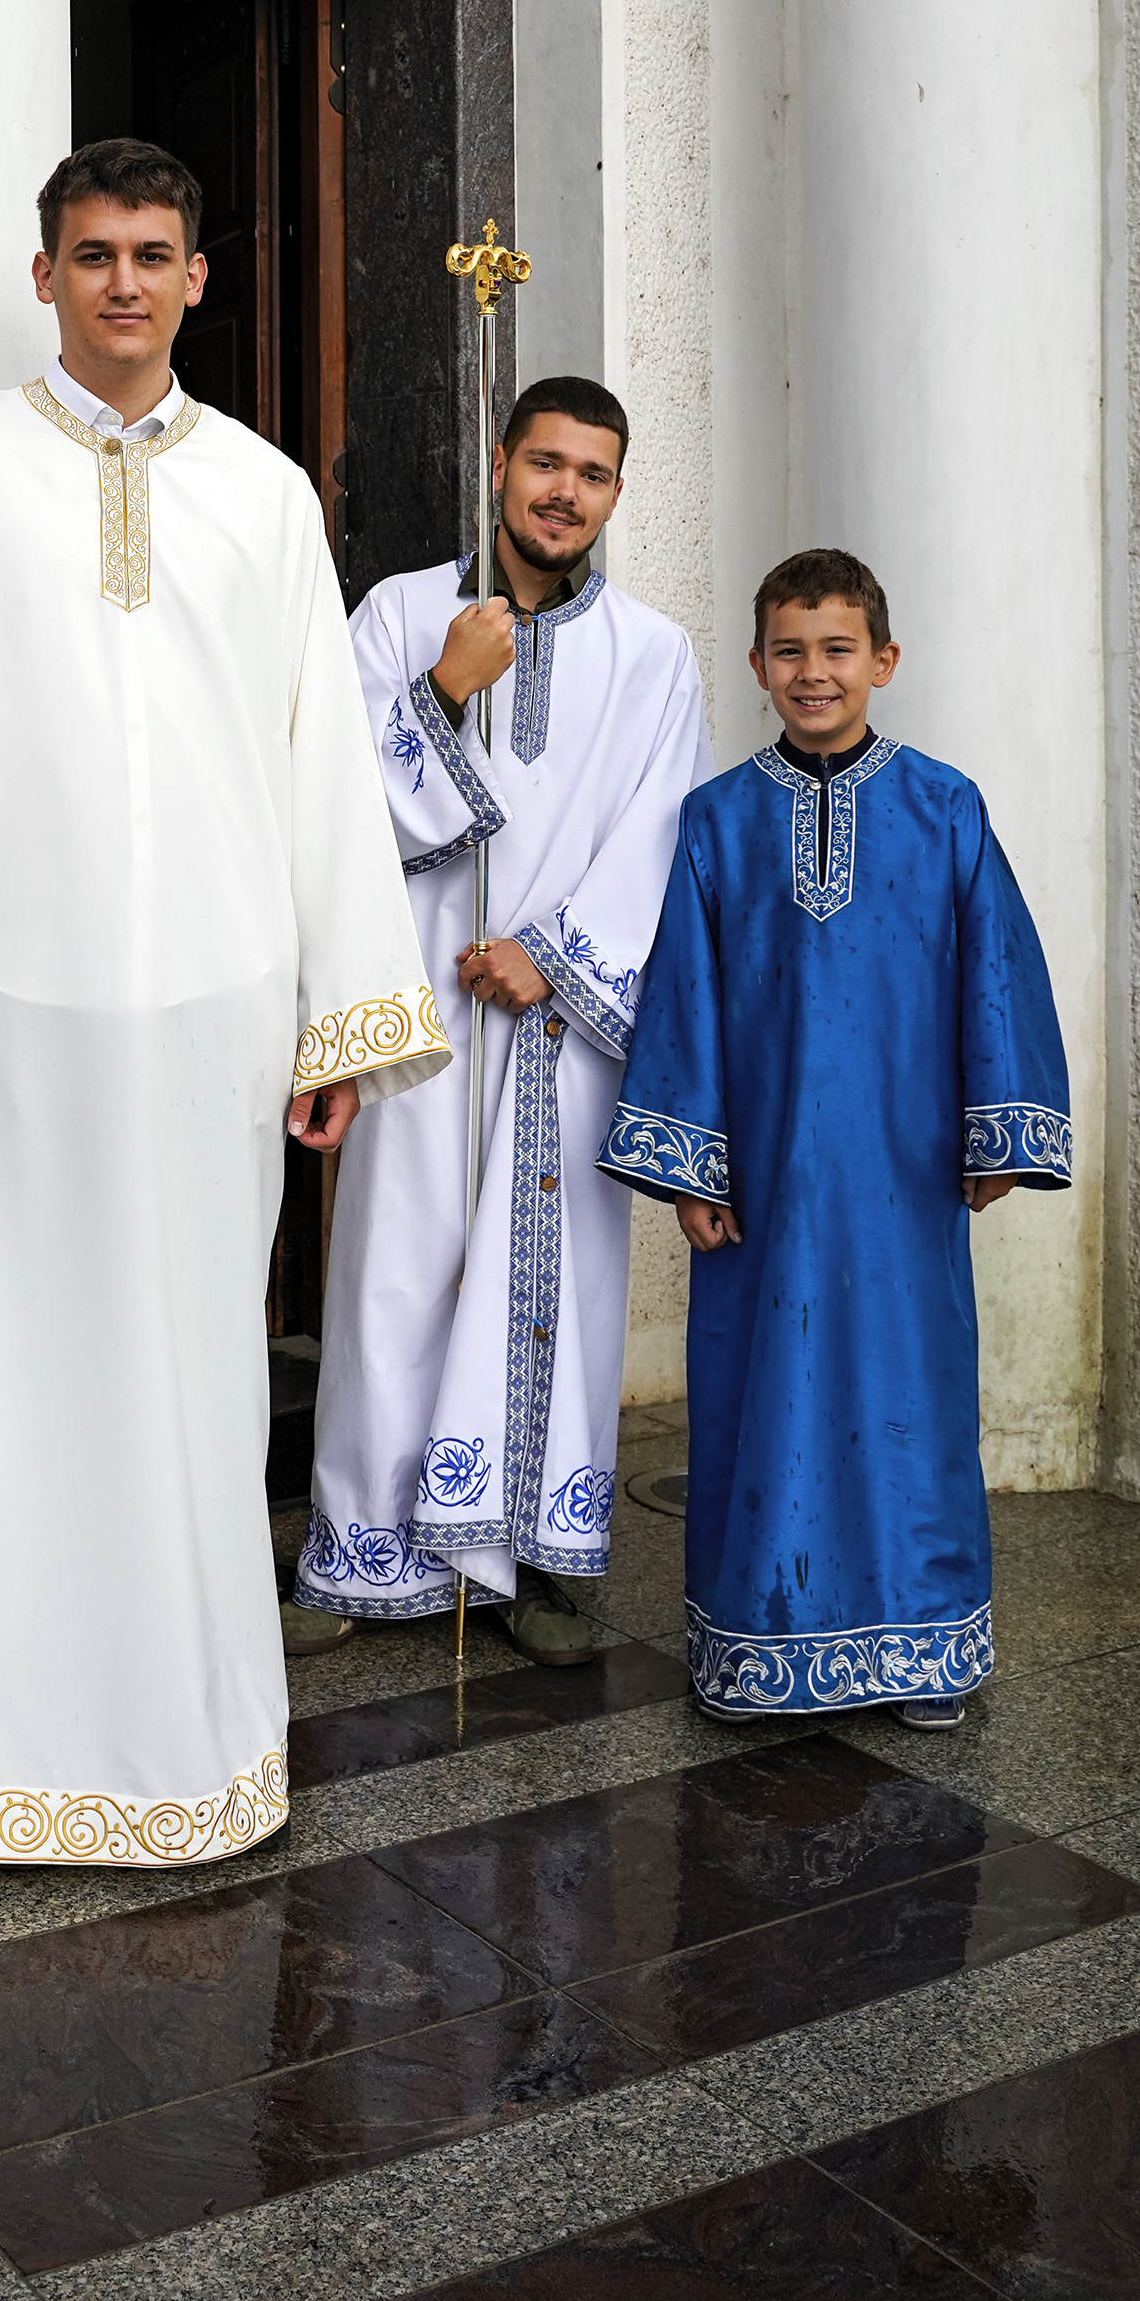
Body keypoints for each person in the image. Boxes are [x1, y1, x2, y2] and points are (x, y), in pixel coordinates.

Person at [0, 136, 448, 1865]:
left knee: (188, 1376)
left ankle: (185, 1746)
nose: (122, 281)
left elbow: (319, 761)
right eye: (91, 253)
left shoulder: (263, 492)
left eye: (151, 253)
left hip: (210, 1019)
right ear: (43, 276)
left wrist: (338, 1019)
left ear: (195, 278)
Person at [600, 549, 1070, 1729]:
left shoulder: (946, 807)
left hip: (903, 1172)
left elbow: (996, 969)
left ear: (883, 660)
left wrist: (996, 1132)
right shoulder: (716, 820)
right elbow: (684, 993)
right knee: (762, 1393)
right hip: (760, 1179)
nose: (814, 672)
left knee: (909, 1393)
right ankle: (756, 1641)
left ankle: (923, 1646)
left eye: (837, 649)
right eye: (790, 651)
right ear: (758, 664)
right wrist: (690, 1167)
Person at [294, 378, 712, 1664]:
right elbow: (330, 791)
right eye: (544, 463)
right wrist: (441, 686)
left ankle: (531, 1559)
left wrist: (552, 954)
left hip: (559, 1026)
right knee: (395, 1270)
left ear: (616, 491)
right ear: (498, 464)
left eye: (591, 473)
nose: (563, 492)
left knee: (552, 1287)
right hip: (417, 1003)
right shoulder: (400, 614)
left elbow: (662, 831)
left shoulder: (654, 653)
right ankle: (362, 1551)